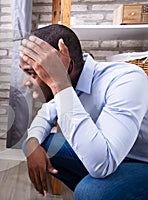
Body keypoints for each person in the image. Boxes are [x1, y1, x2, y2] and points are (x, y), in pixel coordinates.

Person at [19, 24, 148, 200]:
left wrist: (59, 83)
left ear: (67, 66)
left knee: (90, 191)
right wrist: (32, 144)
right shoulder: (72, 79)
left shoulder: (126, 79)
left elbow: (103, 164)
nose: (25, 82)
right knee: (40, 144)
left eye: (32, 73)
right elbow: (44, 115)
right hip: (108, 157)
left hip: (140, 162)